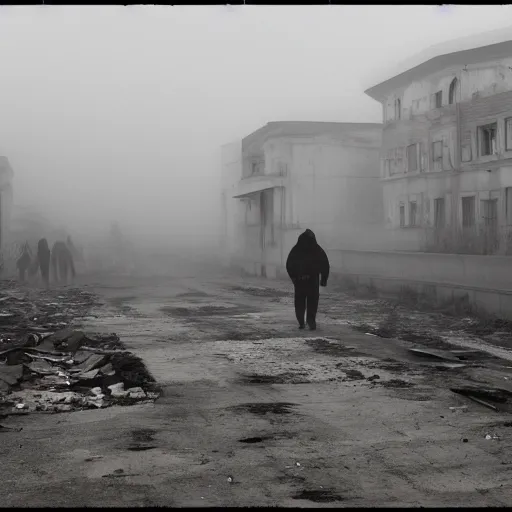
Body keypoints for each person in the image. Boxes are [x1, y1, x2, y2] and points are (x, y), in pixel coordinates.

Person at [286, 229, 330, 330]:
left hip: (299, 281)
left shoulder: (296, 249)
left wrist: (293, 277)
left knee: (300, 302)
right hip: (312, 280)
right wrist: (323, 280)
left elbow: (289, 264)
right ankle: (311, 321)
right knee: (312, 302)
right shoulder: (317, 249)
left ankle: (301, 322)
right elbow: (325, 265)